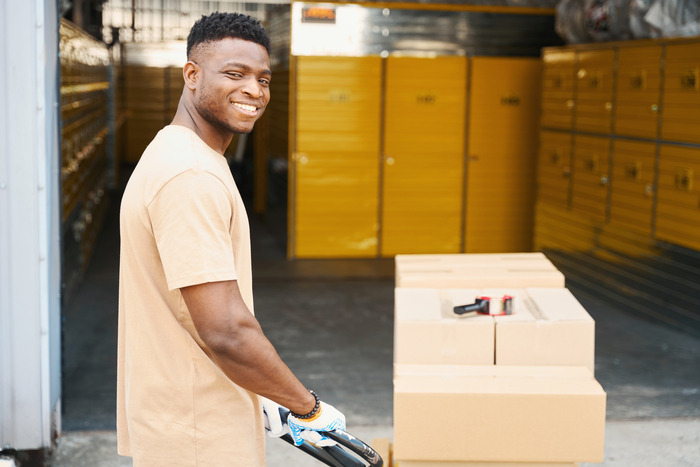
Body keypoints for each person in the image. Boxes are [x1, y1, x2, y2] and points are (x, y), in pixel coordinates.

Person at [117, 12, 345, 466]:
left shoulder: (176, 150)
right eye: (234, 74)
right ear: (192, 75)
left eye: (263, 78)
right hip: (199, 435)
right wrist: (308, 407)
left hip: (187, 418)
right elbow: (225, 330)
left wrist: (263, 392)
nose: (254, 90)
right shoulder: (190, 175)